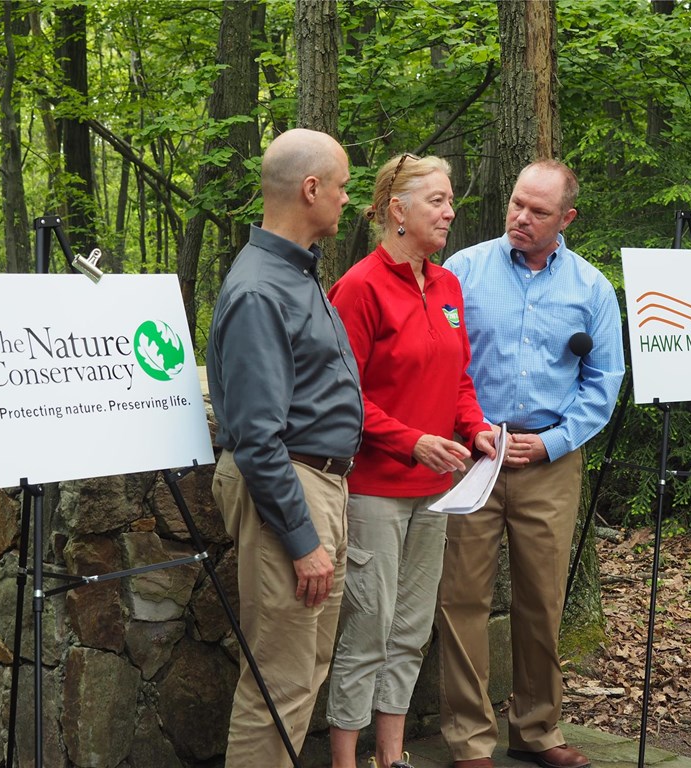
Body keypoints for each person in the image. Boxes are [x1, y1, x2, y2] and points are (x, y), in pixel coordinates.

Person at [436, 160, 625, 768]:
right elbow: (441, 361)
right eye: (517, 203)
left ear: (566, 218)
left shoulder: (591, 289)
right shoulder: (462, 271)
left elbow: (603, 383)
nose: (521, 217)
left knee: (542, 599)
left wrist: (552, 442)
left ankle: (538, 729)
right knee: (461, 598)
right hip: (472, 455)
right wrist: (468, 431)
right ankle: (468, 739)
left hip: (549, 459)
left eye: (538, 211)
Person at [325, 153, 497, 768]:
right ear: (398, 211)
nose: (450, 212)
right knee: (367, 630)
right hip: (374, 489)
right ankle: (346, 758)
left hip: (438, 491)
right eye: (437, 201)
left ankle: (391, 757)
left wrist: (475, 429)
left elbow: (458, 380)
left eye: (450, 201)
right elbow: (342, 396)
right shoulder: (359, 287)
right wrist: (409, 440)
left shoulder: (448, 284)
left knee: (410, 629)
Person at [206, 128, 364, 767]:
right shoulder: (259, 291)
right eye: (344, 187)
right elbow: (256, 437)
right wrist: (302, 539)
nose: (348, 200)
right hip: (291, 491)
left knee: (304, 671)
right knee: (281, 680)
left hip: (318, 484)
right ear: (311, 189)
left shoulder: (293, 274)